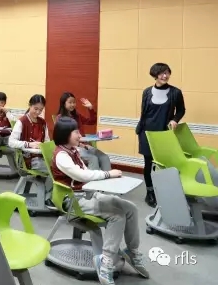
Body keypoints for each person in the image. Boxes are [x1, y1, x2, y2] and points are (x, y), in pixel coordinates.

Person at [51, 117, 148, 285]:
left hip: (88, 193)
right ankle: (106, 262)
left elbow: (86, 173)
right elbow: (83, 175)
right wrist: (107, 174)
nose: (80, 135)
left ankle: (132, 251)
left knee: (131, 208)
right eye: (76, 132)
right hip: (73, 200)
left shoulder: (73, 151)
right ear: (65, 134)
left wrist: (107, 180)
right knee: (117, 216)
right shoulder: (61, 155)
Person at [136, 63, 185, 207]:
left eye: (167, 73)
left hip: (164, 133)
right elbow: (144, 113)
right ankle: (150, 193)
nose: (165, 76)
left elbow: (181, 110)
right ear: (155, 74)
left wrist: (175, 120)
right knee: (148, 163)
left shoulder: (176, 92)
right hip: (146, 133)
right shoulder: (147, 92)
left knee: (165, 164)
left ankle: (165, 191)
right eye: (162, 73)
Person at [9, 94, 53, 204]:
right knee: (56, 170)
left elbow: (47, 141)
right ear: (30, 105)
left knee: (60, 166)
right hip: (28, 160)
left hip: (41, 157)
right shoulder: (22, 121)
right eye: (35, 108)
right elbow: (11, 142)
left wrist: (44, 146)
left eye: (41, 110)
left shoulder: (43, 123)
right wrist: (29, 144)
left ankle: (49, 196)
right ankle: (48, 198)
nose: (38, 112)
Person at [55, 92, 111, 171]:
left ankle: (108, 176)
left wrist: (90, 108)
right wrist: (79, 144)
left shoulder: (77, 115)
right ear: (63, 104)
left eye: (74, 102)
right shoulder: (60, 118)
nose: (73, 104)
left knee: (104, 157)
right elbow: (62, 138)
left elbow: (91, 121)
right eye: (70, 102)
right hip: (73, 147)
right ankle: (93, 178)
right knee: (93, 158)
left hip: (84, 145)